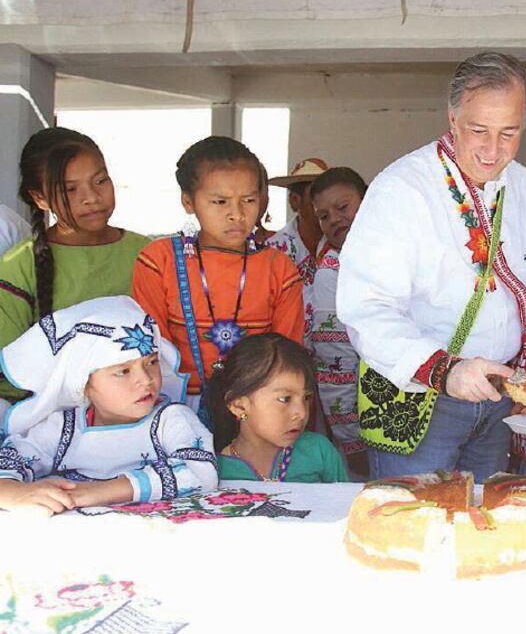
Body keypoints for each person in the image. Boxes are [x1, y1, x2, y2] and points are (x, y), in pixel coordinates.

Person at [338, 52, 526, 482]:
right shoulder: (401, 189)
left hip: (498, 398)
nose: (493, 150)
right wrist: (446, 372)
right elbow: (366, 308)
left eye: (509, 132)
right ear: (452, 118)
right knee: (414, 530)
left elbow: (524, 284)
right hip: (417, 398)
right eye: (478, 131)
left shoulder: (525, 186)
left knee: (487, 527)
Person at [131, 136, 304, 415]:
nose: (236, 214)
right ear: (188, 201)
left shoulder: (279, 270)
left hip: (257, 411)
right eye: (220, 201)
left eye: (249, 200)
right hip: (173, 410)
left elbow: (287, 359)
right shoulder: (159, 261)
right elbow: (151, 351)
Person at [0, 297, 216, 515]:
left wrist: (98, 492)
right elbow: (11, 459)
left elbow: (200, 471)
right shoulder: (62, 427)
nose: (146, 380)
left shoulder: (171, 419)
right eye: (123, 371)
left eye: (151, 362)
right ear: (83, 383)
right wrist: (13, 492)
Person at [0, 128, 149, 402]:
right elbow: (8, 374)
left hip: (142, 411)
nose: (91, 197)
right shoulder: (17, 267)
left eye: (100, 180)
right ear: (40, 198)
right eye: (70, 189)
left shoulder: (149, 254)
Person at [210, 333, 348, 483]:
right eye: (285, 399)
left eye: (306, 398)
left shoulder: (319, 451)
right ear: (239, 406)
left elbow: (348, 504)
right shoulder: (213, 470)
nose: (301, 413)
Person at [307, 167, 369, 475]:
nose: (333, 219)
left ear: (369, 200)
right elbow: (335, 369)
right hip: (368, 433)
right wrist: (351, 442)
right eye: (323, 216)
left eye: (342, 208)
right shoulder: (331, 272)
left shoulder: (399, 251)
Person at [267, 157, 328, 287]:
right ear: (295, 200)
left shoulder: (342, 242)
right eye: (316, 195)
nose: (324, 202)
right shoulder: (273, 250)